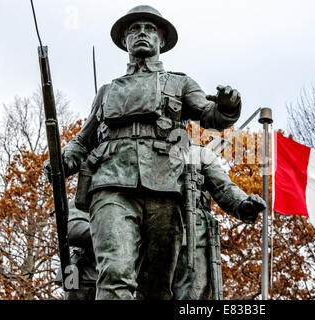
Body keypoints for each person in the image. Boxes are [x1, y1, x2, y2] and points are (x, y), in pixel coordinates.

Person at [45, 5, 262, 300]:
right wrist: (64, 159)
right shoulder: (107, 92)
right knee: (115, 273)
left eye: (149, 29)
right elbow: (82, 141)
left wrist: (228, 106)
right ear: (125, 41)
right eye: (134, 29)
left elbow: (213, 117)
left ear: (161, 39)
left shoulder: (180, 83)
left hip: (166, 187)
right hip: (111, 184)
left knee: (158, 288)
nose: (142, 34)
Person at [56, 143, 266, 300]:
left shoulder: (199, 154)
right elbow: (75, 225)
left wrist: (243, 204)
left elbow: (224, 188)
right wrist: (119, 232)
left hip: (193, 240)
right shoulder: (127, 154)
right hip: (150, 242)